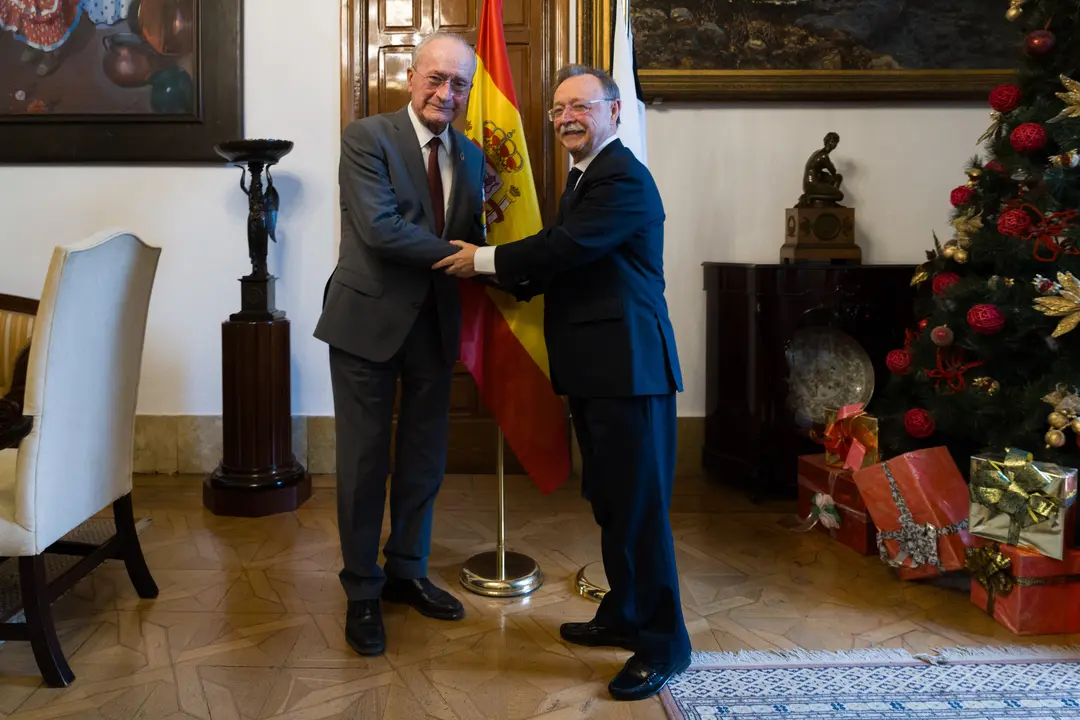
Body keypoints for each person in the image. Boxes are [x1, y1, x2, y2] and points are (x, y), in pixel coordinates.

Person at [433, 63, 691, 702]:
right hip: (599, 369)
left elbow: (566, 249)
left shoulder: (623, 178)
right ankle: (625, 613)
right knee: (610, 501)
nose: (567, 118)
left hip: (631, 371)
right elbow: (566, 261)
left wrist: (483, 260)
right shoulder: (585, 177)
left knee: (640, 511)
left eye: (581, 105)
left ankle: (664, 644)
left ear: (614, 111)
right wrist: (501, 276)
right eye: (557, 110)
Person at [313, 32, 487, 658]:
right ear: (411, 77)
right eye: (436, 79)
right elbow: (382, 230)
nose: (446, 93)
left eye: (459, 84)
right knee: (363, 465)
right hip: (366, 323)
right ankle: (361, 590)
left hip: (435, 326)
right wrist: (475, 259)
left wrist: (502, 259)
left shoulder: (470, 156)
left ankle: (406, 571)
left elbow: (476, 231)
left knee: (424, 458)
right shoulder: (367, 138)